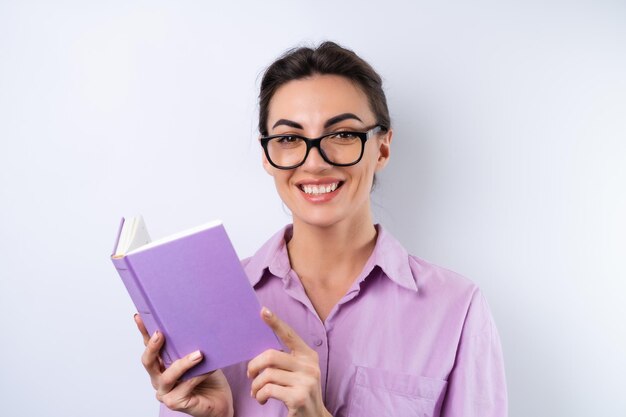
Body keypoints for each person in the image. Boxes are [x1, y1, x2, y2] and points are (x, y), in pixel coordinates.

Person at [134, 41, 508, 417]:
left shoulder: (456, 309)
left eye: (343, 134)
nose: (314, 163)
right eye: (289, 139)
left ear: (382, 148)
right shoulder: (208, 302)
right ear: (267, 155)